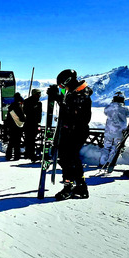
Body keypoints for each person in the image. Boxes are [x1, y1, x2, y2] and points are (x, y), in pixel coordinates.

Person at [50, 69, 92, 201]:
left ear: (68, 81)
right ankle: (80, 185)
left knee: (68, 159)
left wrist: (57, 98)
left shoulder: (81, 94)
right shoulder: (74, 92)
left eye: (62, 85)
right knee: (71, 158)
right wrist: (58, 94)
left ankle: (69, 185)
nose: (63, 88)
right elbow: (66, 100)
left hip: (76, 130)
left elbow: (72, 113)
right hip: (71, 130)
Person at [99, 91, 129, 167]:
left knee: (106, 146)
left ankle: (103, 162)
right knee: (115, 147)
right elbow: (128, 115)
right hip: (120, 131)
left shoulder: (108, 107)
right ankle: (111, 162)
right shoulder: (125, 108)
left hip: (109, 130)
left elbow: (105, 113)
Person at [23, 88, 43, 162]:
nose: (39, 95)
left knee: (29, 139)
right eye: (38, 94)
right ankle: (31, 154)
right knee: (30, 139)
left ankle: (28, 153)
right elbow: (26, 111)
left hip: (31, 123)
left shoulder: (35, 102)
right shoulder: (33, 102)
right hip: (30, 123)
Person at [4, 92, 25, 161]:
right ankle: (16, 155)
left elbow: (8, 118)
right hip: (17, 126)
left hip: (11, 126)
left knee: (11, 141)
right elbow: (22, 118)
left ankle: (8, 155)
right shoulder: (18, 106)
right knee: (17, 142)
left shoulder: (11, 107)